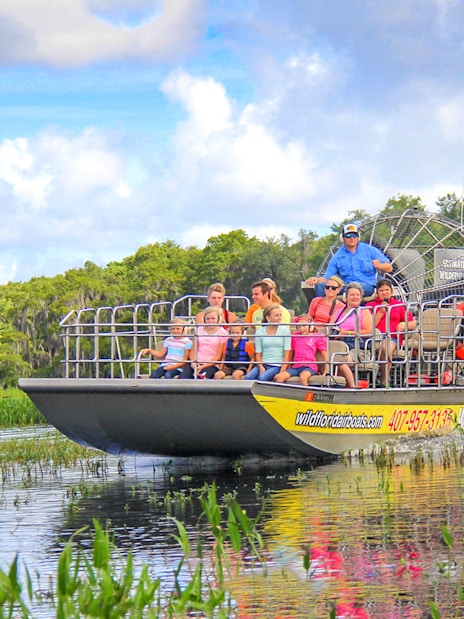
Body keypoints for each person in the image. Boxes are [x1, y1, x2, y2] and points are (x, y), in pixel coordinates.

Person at [306, 223, 392, 297]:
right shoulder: (337, 257)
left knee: (354, 287)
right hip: (346, 287)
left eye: (354, 235)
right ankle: (321, 312)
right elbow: (326, 278)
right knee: (321, 286)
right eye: (348, 235)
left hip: (367, 286)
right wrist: (315, 280)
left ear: (358, 237)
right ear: (342, 238)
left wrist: (380, 266)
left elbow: (389, 268)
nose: (352, 238)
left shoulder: (369, 250)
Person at [366, 279, 416, 387]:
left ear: (391, 291)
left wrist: (405, 325)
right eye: (381, 290)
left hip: (392, 337)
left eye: (387, 290)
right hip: (374, 337)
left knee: (385, 347)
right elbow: (369, 326)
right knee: (381, 345)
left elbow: (413, 323)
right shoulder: (370, 306)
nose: (384, 292)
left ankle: (384, 381)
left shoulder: (399, 305)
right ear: (377, 292)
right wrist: (380, 312)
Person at [332, 282, 375, 388]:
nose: (355, 297)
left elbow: (368, 331)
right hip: (339, 344)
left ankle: (352, 387)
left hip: (357, 347)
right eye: (352, 294)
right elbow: (330, 327)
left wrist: (348, 333)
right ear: (346, 297)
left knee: (339, 360)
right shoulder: (339, 312)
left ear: (361, 298)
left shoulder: (364, 311)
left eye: (357, 295)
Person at [275, 315, 327, 386]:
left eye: (304, 325)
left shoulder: (316, 337)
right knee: (279, 377)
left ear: (310, 326)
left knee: (303, 378)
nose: (301, 328)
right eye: (299, 326)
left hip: (310, 366)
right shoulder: (295, 336)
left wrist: (325, 371)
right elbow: (291, 352)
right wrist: (289, 366)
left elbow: (324, 354)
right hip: (296, 366)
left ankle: (306, 395)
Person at [244, 304, 292, 381]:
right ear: (268, 317)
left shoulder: (285, 331)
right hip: (264, 364)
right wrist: (260, 367)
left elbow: (286, 356)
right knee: (248, 377)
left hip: (277, 365)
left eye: (280, 315)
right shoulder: (260, 332)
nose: (279, 318)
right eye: (276, 315)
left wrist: (281, 372)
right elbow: (258, 354)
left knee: (262, 378)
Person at [179, 306, 228, 379]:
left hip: (211, 364)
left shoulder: (223, 333)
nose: (210, 321)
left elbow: (218, 356)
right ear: (204, 319)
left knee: (201, 377)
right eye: (208, 319)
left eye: (213, 318)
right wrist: (194, 363)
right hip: (196, 362)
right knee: (184, 377)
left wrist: (203, 366)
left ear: (218, 318)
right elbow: (193, 351)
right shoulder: (199, 330)